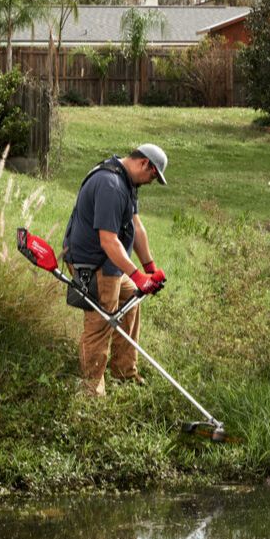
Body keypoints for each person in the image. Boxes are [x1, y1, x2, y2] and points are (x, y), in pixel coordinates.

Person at [61, 143, 168, 397]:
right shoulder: (111, 185)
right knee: (99, 324)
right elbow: (108, 241)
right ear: (144, 163)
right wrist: (136, 275)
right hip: (96, 264)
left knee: (133, 299)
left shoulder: (126, 182)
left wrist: (149, 269)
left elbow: (137, 227)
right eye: (153, 175)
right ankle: (91, 391)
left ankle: (124, 371)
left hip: (111, 263)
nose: (152, 181)